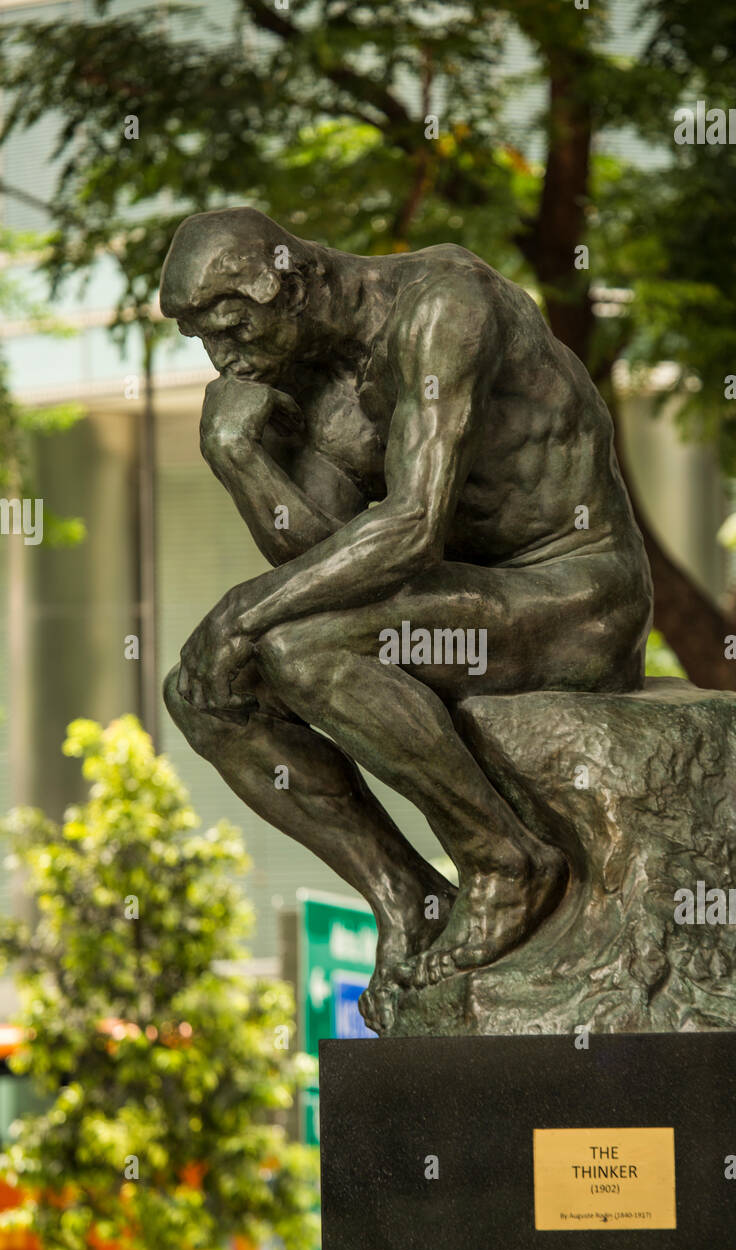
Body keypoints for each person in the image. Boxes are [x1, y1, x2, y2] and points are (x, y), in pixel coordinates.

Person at [159, 207, 652, 1029]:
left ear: (298, 281)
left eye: (237, 329)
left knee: (299, 650)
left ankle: (507, 862)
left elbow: (413, 529)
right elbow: (325, 557)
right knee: (202, 693)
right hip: (466, 598)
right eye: (208, 341)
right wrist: (239, 460)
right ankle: (410, 897)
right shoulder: (306, 381)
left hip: (575, 594)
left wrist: (242, 614)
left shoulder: (442, 308)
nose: (225, 360)